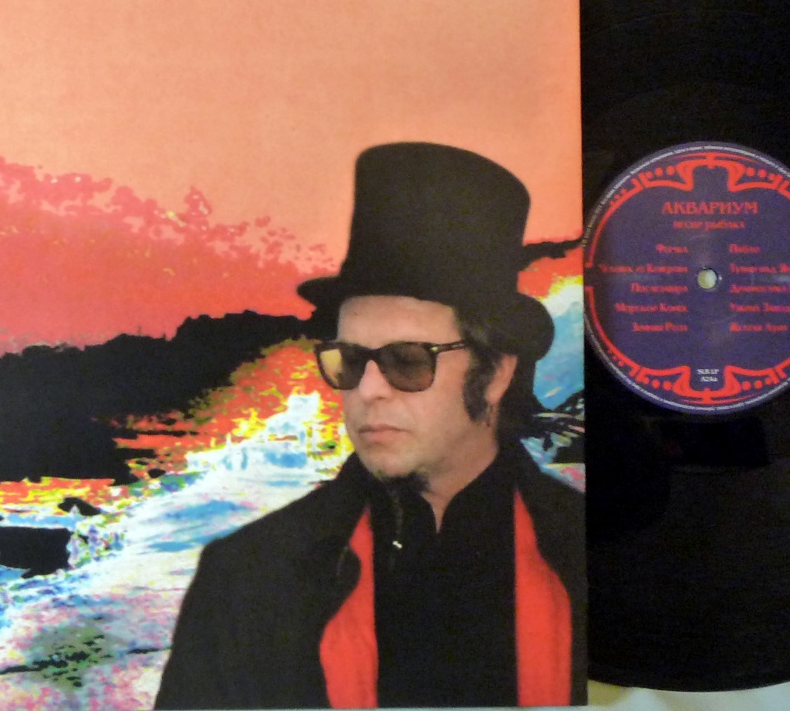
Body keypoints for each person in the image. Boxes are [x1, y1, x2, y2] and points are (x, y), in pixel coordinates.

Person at [155, 142, 585, 709]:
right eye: (350, 361)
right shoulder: (248, 577)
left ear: (497, 373)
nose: (367, 389)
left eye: (408, 360)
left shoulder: (582, 553)